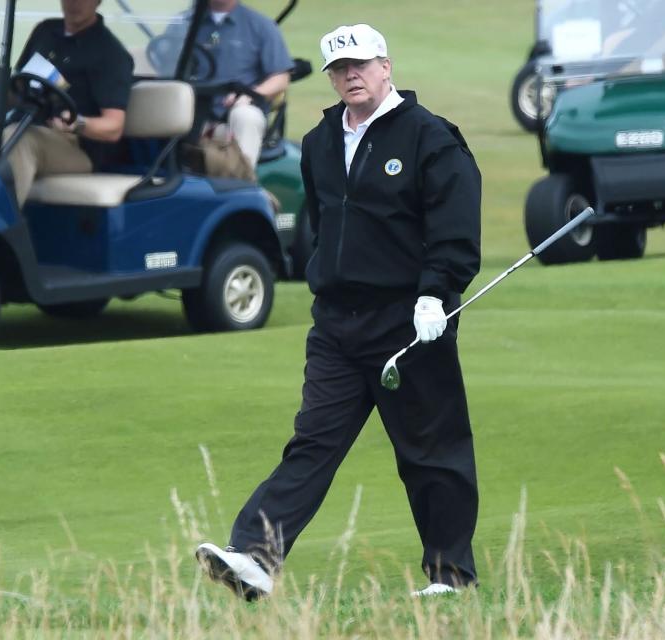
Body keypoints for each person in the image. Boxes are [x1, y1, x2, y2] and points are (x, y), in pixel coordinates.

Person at [194, 23, 483, 600]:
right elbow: (325, 228)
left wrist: (435, 292)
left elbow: (454, 227)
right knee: (312, 442)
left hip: (411, 322)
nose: (350, 75)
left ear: (386, 66)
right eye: (339, 68)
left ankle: (451, 579)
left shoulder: (431, 138)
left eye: (360, 64)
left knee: (430, 451)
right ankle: (254, 558)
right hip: (338, 325)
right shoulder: (321, 142)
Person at [0, 0, 134, 208]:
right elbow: (14, 90)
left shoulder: (110, 53)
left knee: (20, 140)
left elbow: (114, 127)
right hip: (22, 126)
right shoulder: (45, 31)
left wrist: (78, 124)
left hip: (74, 145)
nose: (75, 3)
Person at [188, 0, 293, 174]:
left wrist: (249, 95)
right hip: (191, 113)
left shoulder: (261, 26)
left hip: (233, 116)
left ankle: (241, 184)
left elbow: (281, 78)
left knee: (247, 116)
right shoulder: (184, 22)